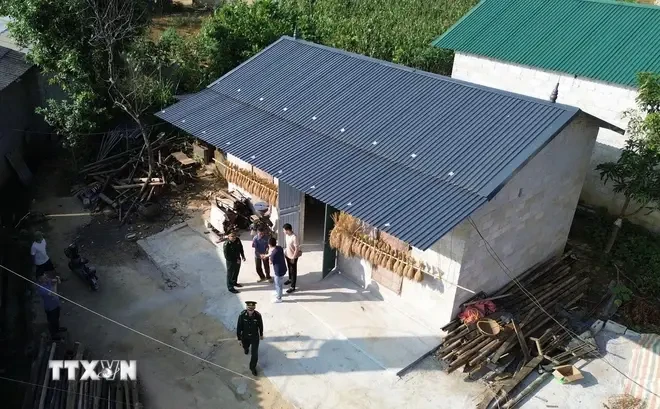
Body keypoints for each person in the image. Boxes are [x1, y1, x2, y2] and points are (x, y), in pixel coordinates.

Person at [236, 301, 263, 376]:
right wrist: (239, 338)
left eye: (252, 309)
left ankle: (252, 368)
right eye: (249, 309)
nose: (250, 311)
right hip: (245, 336)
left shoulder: (258, 315)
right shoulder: (242, 315)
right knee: (245, 346)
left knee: (255, 354)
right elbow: (239, 327)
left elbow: (260, 325)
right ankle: (246, 348)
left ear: (254, 308)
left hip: (255, 337)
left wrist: (261, 334)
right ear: (246, 308)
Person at [36, 273, 66, 339]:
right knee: (52, 322)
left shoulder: (47, 281)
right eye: (44, 278)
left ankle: (58, 329)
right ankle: (54, 335)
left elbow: (58, 282)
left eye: (46, 276)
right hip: (50, 308)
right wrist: (55, 284)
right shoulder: (41, 289)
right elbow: (54, 294)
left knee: (56, 319)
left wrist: (57, 279)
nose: (46, 278)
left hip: (56, 304)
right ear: (40, 280)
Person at [262, 237, 287, 303]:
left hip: (278, 271)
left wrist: (267, 257)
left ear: (269, 245)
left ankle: (279, 298)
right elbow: (272, 253)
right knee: (278, 283)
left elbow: (270, 262)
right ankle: (278, 292)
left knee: (278, 284)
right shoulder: (279, 248)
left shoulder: (273, 254)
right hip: (283, 268)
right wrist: (267, 255)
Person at [282, 223, 300, 293]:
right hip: (287, 255)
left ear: (288, 230)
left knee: (293, 271)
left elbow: (297, 248)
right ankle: (290, 279)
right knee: (289, 268)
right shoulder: (287, 235)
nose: (283, 231)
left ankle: (292, 286)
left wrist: (293, 257)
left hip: (293, 256)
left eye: (284, 230)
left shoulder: (294, 237)